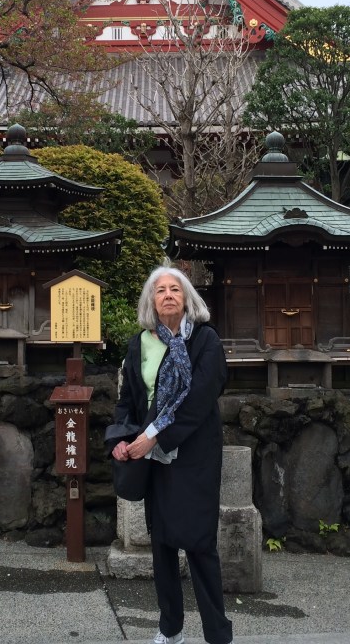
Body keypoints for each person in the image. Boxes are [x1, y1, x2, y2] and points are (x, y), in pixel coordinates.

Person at [110, 266, 233, 644]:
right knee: (162, 545)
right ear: (151, 300)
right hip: (153, 457)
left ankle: (217, 635)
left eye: (174, 289)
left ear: (187, 298)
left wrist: (154, 436)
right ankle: (170, 630)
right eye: (159, 289)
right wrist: (121, 436)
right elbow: (128, 399)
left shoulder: (205, 340)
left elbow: (199, 401)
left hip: (194, 453)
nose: (167, 294)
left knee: (200, 545)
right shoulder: (140, 344)